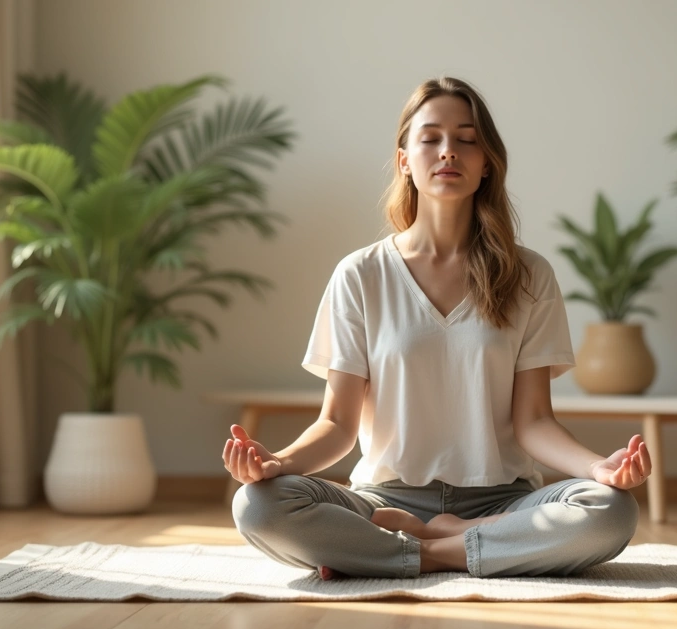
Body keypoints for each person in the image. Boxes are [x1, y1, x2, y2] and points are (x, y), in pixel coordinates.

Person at [223, 76, 652, 580]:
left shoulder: (530, 274)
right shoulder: (361, 274)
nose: (449, 151)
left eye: (467, 139)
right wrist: (279, 462)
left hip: (506, 501)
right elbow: (338, 425)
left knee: (611, 511)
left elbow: (533, 422)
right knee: (257, 506)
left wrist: (598, 469)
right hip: (383, 500)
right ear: (404, 158)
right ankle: (469, 549)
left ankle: (416, 550)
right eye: (431, 138)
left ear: (487, 160)